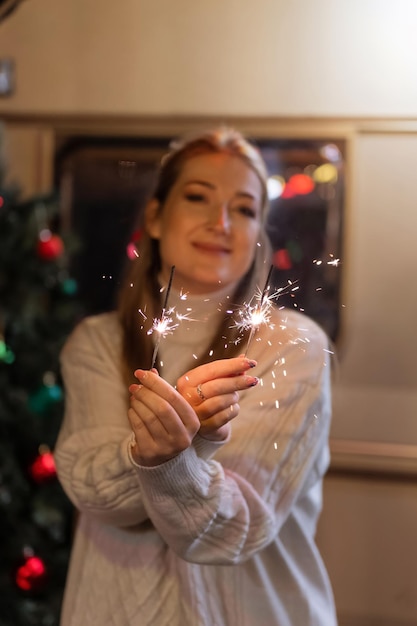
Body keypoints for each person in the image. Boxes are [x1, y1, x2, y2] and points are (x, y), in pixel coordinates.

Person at [54, 127, 337, 626]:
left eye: (245, 208)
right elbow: (94, 489)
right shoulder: (97, 343)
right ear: (156, 217)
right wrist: (151, 453)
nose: (221, 222)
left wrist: (175, 458)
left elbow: (234, 529)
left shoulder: (293, 345)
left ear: (258, 234)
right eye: (198, 197)